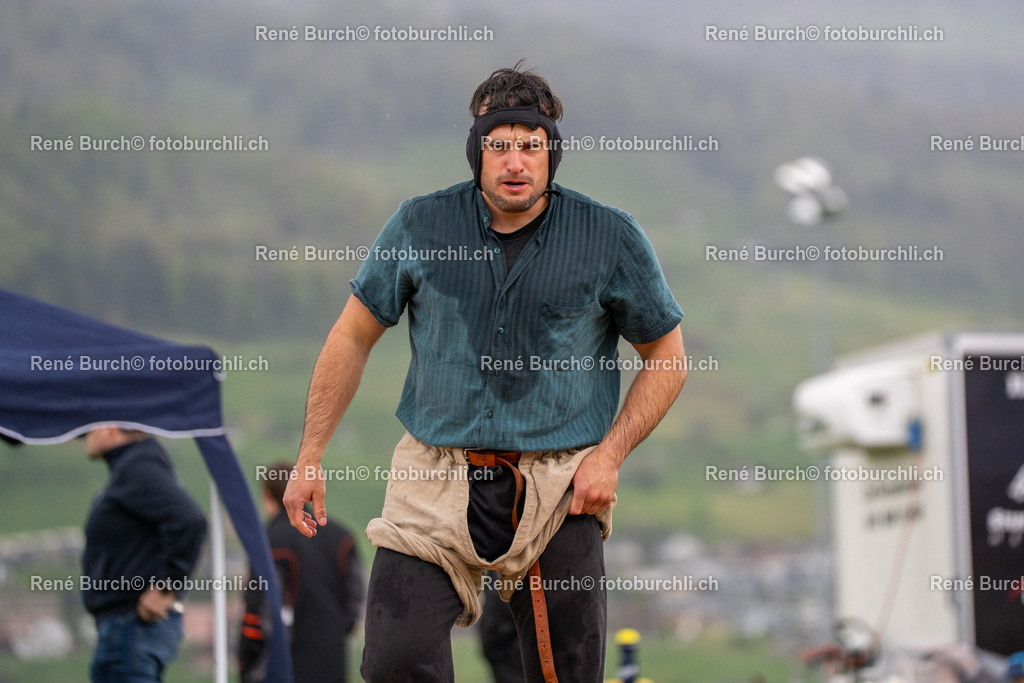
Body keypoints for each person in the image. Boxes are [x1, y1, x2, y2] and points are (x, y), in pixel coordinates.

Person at [283, 61, 687, 683]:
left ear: (553, 153)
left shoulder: (610, 237)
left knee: (567, 674)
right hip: (434, 477)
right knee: (393, 662)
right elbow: (351, 335)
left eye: (532, 146)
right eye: (500, 146)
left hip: (561, 483)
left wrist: (609, 458)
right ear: (477, 152)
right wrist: (310, 454)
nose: (516, 162)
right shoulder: (420, 225)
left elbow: (667, 357)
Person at [81, 426, 207, 682]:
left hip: (131, 628)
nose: (83, 434)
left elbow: (189, 521)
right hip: (131, 628)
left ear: (110, 429)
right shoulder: (135, 465)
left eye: (89, 427)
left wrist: (166, 587)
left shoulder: (136, 467)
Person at [239, 462, 363, 683]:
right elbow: (356, 597)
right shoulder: (343, 537)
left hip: (283, 664)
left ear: (267, 495)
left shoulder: (269, 541)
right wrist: (337, 632)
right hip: (333, 660)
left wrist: (247, 661)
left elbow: (260, 609)